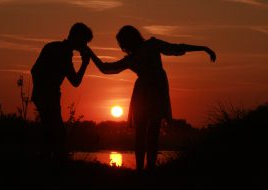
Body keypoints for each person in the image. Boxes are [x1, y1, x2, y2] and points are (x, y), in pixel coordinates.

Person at [86, 25, 216, 171]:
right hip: (148, 92)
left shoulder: (150, 47)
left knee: (148, 131)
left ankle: (146, 169)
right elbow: (106, 68)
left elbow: (177, 48)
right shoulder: (136, 55)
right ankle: (144, 169)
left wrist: (203, 48)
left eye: (122, 43)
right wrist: (89, 53)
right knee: (146, 132)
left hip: (153, 91)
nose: (122, 46)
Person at [31, 23, 93, 164]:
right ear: (77, 37)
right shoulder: (62, 52)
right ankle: (55, 165)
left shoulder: (54, 47)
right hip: (48, 95)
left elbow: (34, 70)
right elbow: (76, 82)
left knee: (49, 131)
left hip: (45, 94)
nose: (85, 45)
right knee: (57, 133)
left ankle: (47, 162)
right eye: (84, 41)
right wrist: (85, 64)